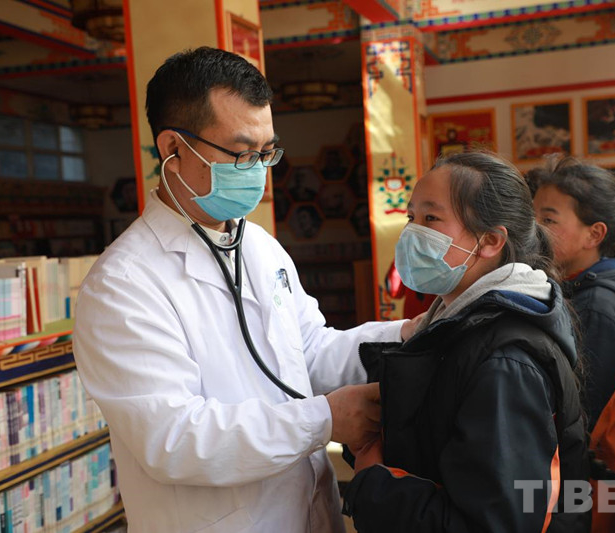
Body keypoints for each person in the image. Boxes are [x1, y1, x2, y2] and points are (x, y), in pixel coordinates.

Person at [73, 47, 417, 533]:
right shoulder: (122, 285)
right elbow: (174, 439)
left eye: (266, 152)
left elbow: (307, 352)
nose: (257, 169)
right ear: (172, 149)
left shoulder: (258, 245)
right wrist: (323, 420)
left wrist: (406, 334)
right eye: (241, 154)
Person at [343, 151, 589, 533]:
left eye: (431, 219)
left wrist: (375, 485)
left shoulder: (504, 362)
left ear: (490, 240)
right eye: (411, 217)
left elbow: (495, 524)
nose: (412, 233)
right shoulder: (453, 323)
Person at [530, 156, 615, 532]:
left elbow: (572, 424)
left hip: (578, 503)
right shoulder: (596, 289)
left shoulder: (596, 311)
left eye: (548, 220)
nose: (532, 229)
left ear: (594, 235)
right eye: (532, 216)